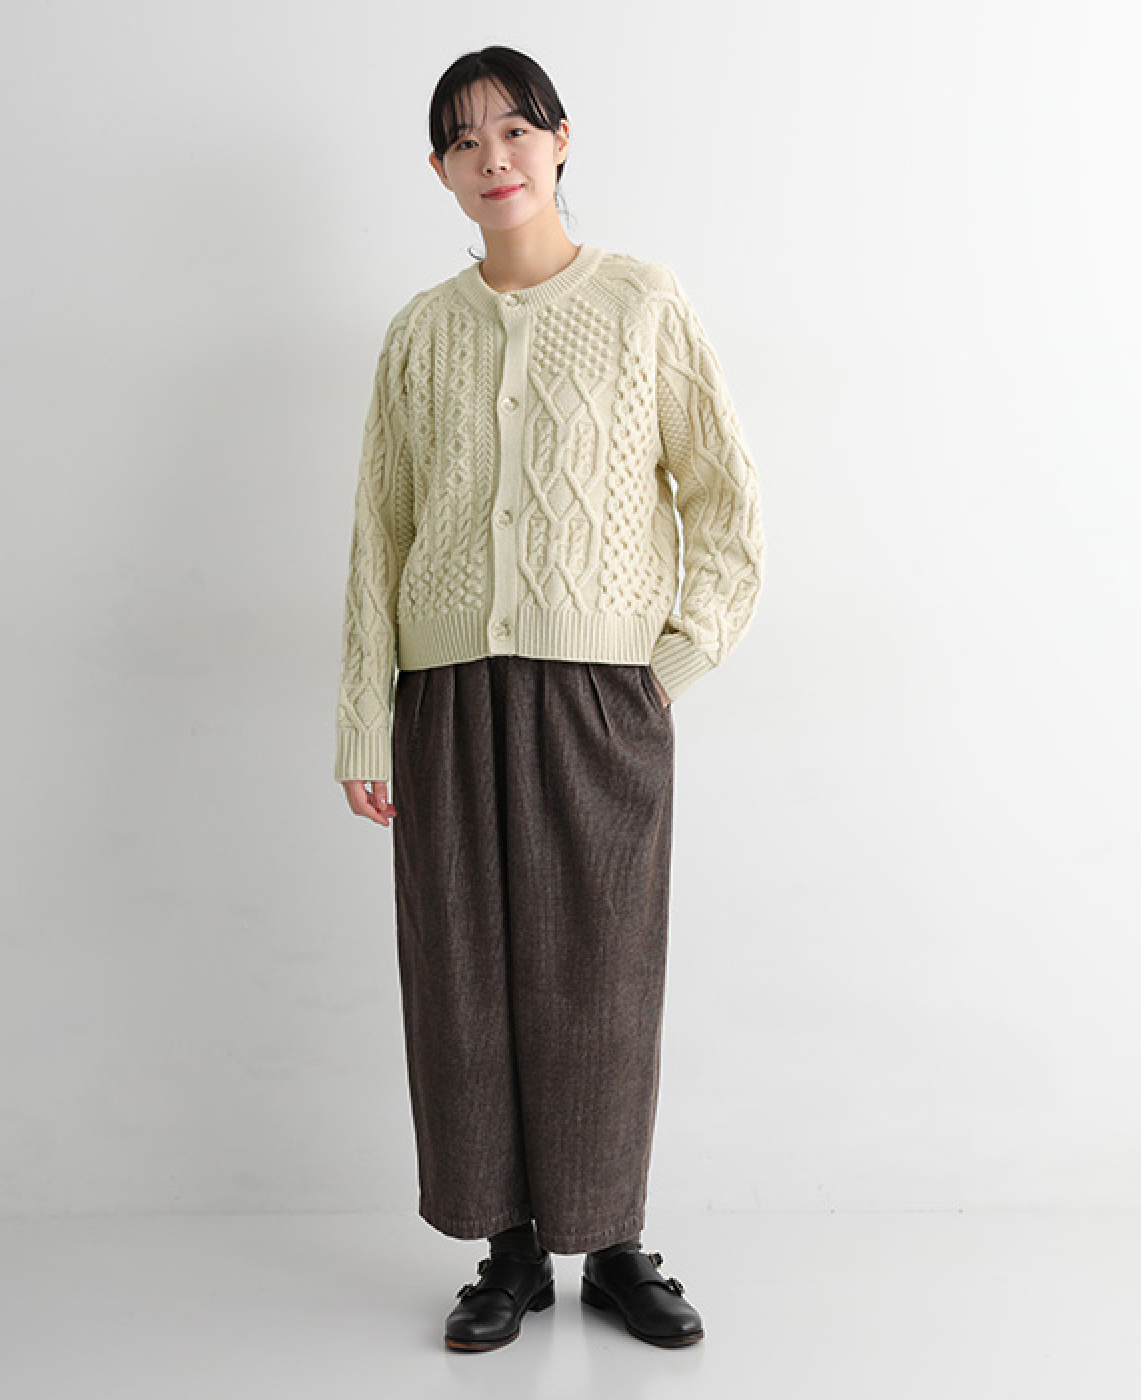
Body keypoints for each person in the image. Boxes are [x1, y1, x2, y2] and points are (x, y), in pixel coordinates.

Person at [334, 45, 764, 1352]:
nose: (494, 158)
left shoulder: (641, 302)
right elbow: (379, 535)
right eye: (464, 141)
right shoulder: (421, 333)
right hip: (446, 696)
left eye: (515, 130)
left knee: (600, 977)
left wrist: (666, 670)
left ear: (561, 140)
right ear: (439, 170)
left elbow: (727, 501)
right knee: (462, 977)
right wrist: (362, 719)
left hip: (600, 698)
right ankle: (507, 1251)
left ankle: (614, 1244)